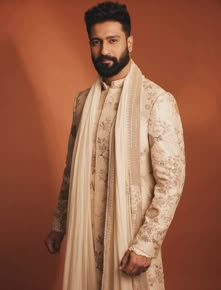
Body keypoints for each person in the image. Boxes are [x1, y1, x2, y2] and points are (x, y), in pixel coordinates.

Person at [45, 2, 185, 290]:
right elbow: (71, 171)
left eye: (112, 41)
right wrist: (59, 225)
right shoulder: (83, 102)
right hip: (86, 241)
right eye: (96, 42)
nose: (104, 51)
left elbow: (171, 182)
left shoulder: (155, 101)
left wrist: (146, 244)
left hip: (129, 243)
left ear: (129, 42)